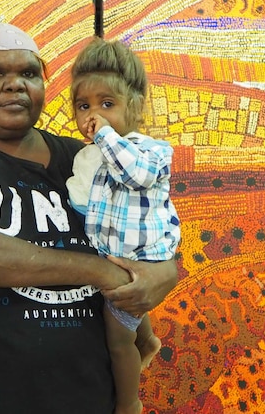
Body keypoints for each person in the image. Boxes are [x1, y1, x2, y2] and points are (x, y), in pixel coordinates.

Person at [0, 22, 179, 413]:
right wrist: (102, 273)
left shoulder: (86, 157)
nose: (14, 85)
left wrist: (162, 275)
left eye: (28, 73)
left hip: (87, 399)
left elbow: (148, 230)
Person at [66, 37, 181, 414]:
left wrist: (103, 134)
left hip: (144, 259)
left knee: (117, 341)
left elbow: (135, 175)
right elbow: (83, 201)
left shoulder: (151, 151)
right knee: (128, 314)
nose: (93, 114)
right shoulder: (90, 155)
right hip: (116, 258)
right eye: (84, 106)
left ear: (135, 107)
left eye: (107, 104)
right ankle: (148, 342)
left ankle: (130, 402)